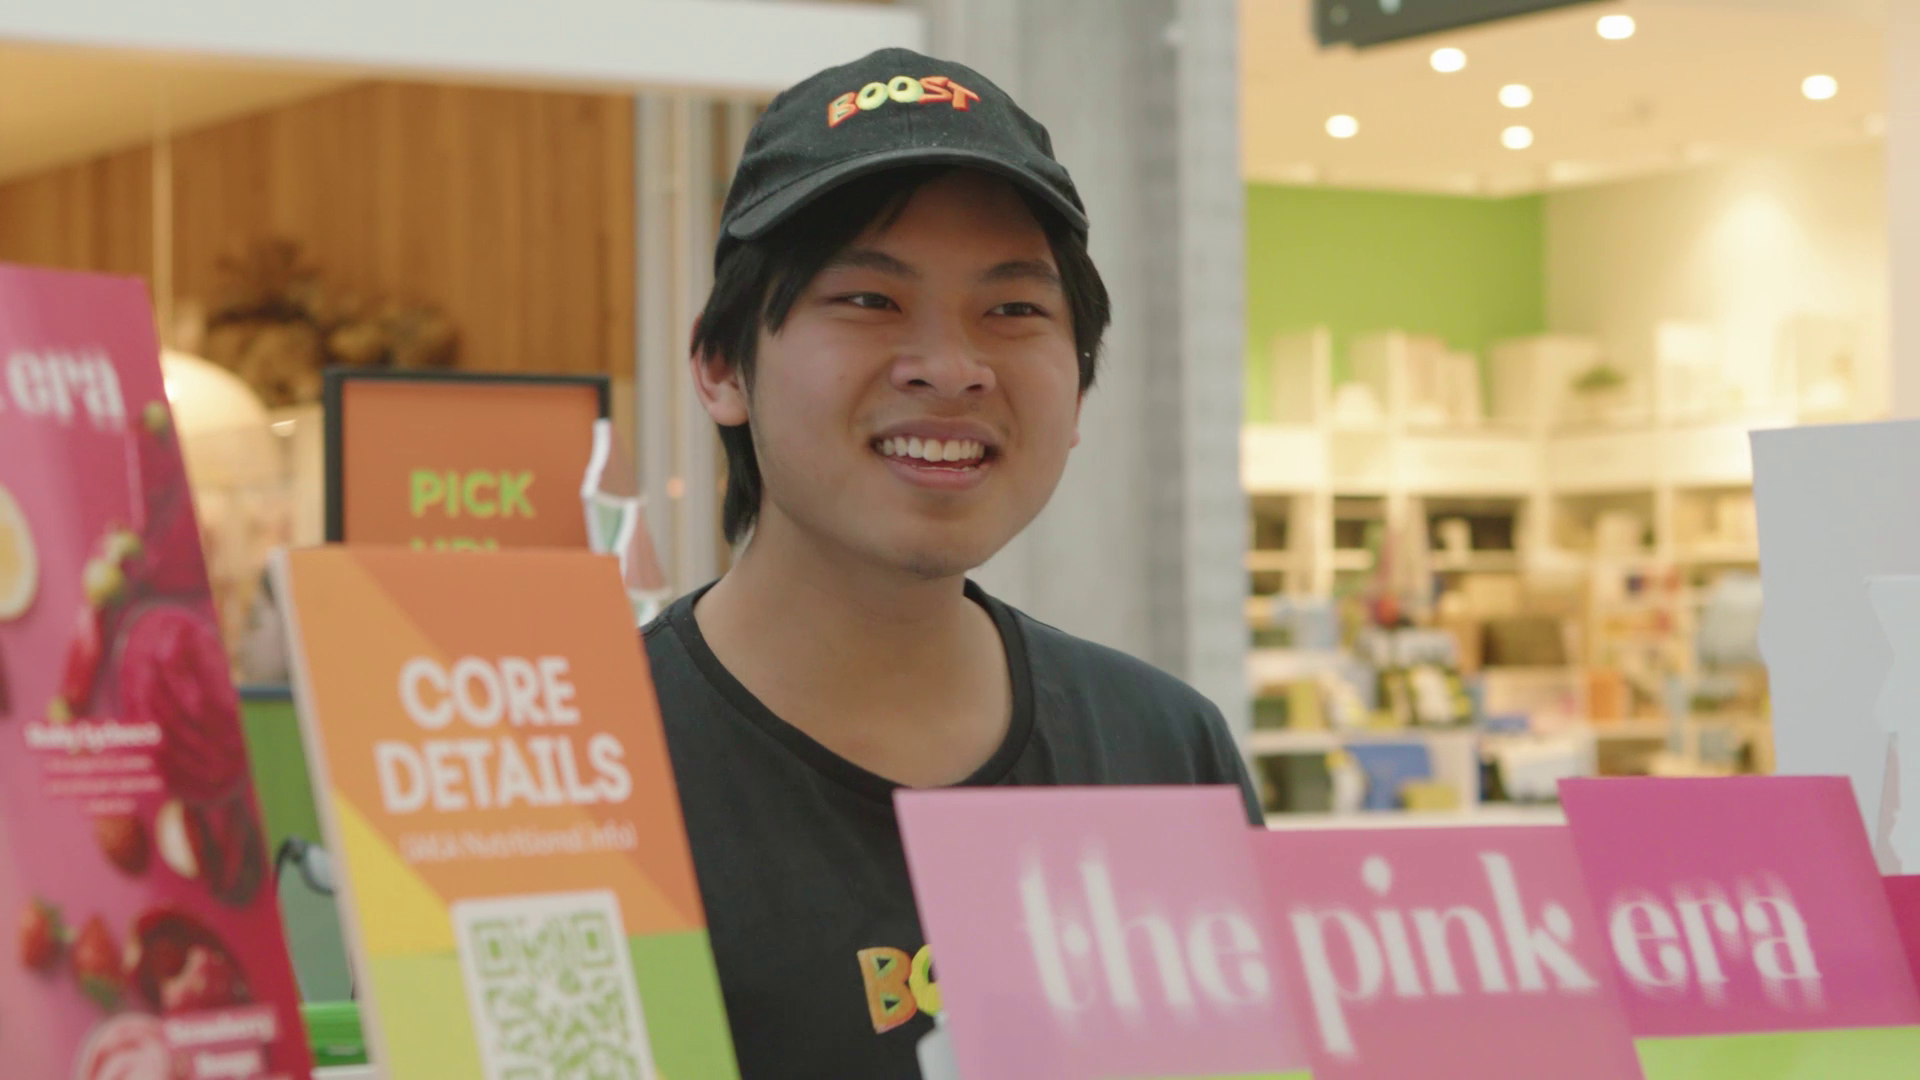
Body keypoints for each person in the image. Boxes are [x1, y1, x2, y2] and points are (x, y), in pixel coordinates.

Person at [644, 46, 1261, 1079]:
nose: (952, 366)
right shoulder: (586, 775)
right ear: (721, 366)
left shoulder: (1160, 749)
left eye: (1013, 311)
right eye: (869, 302)